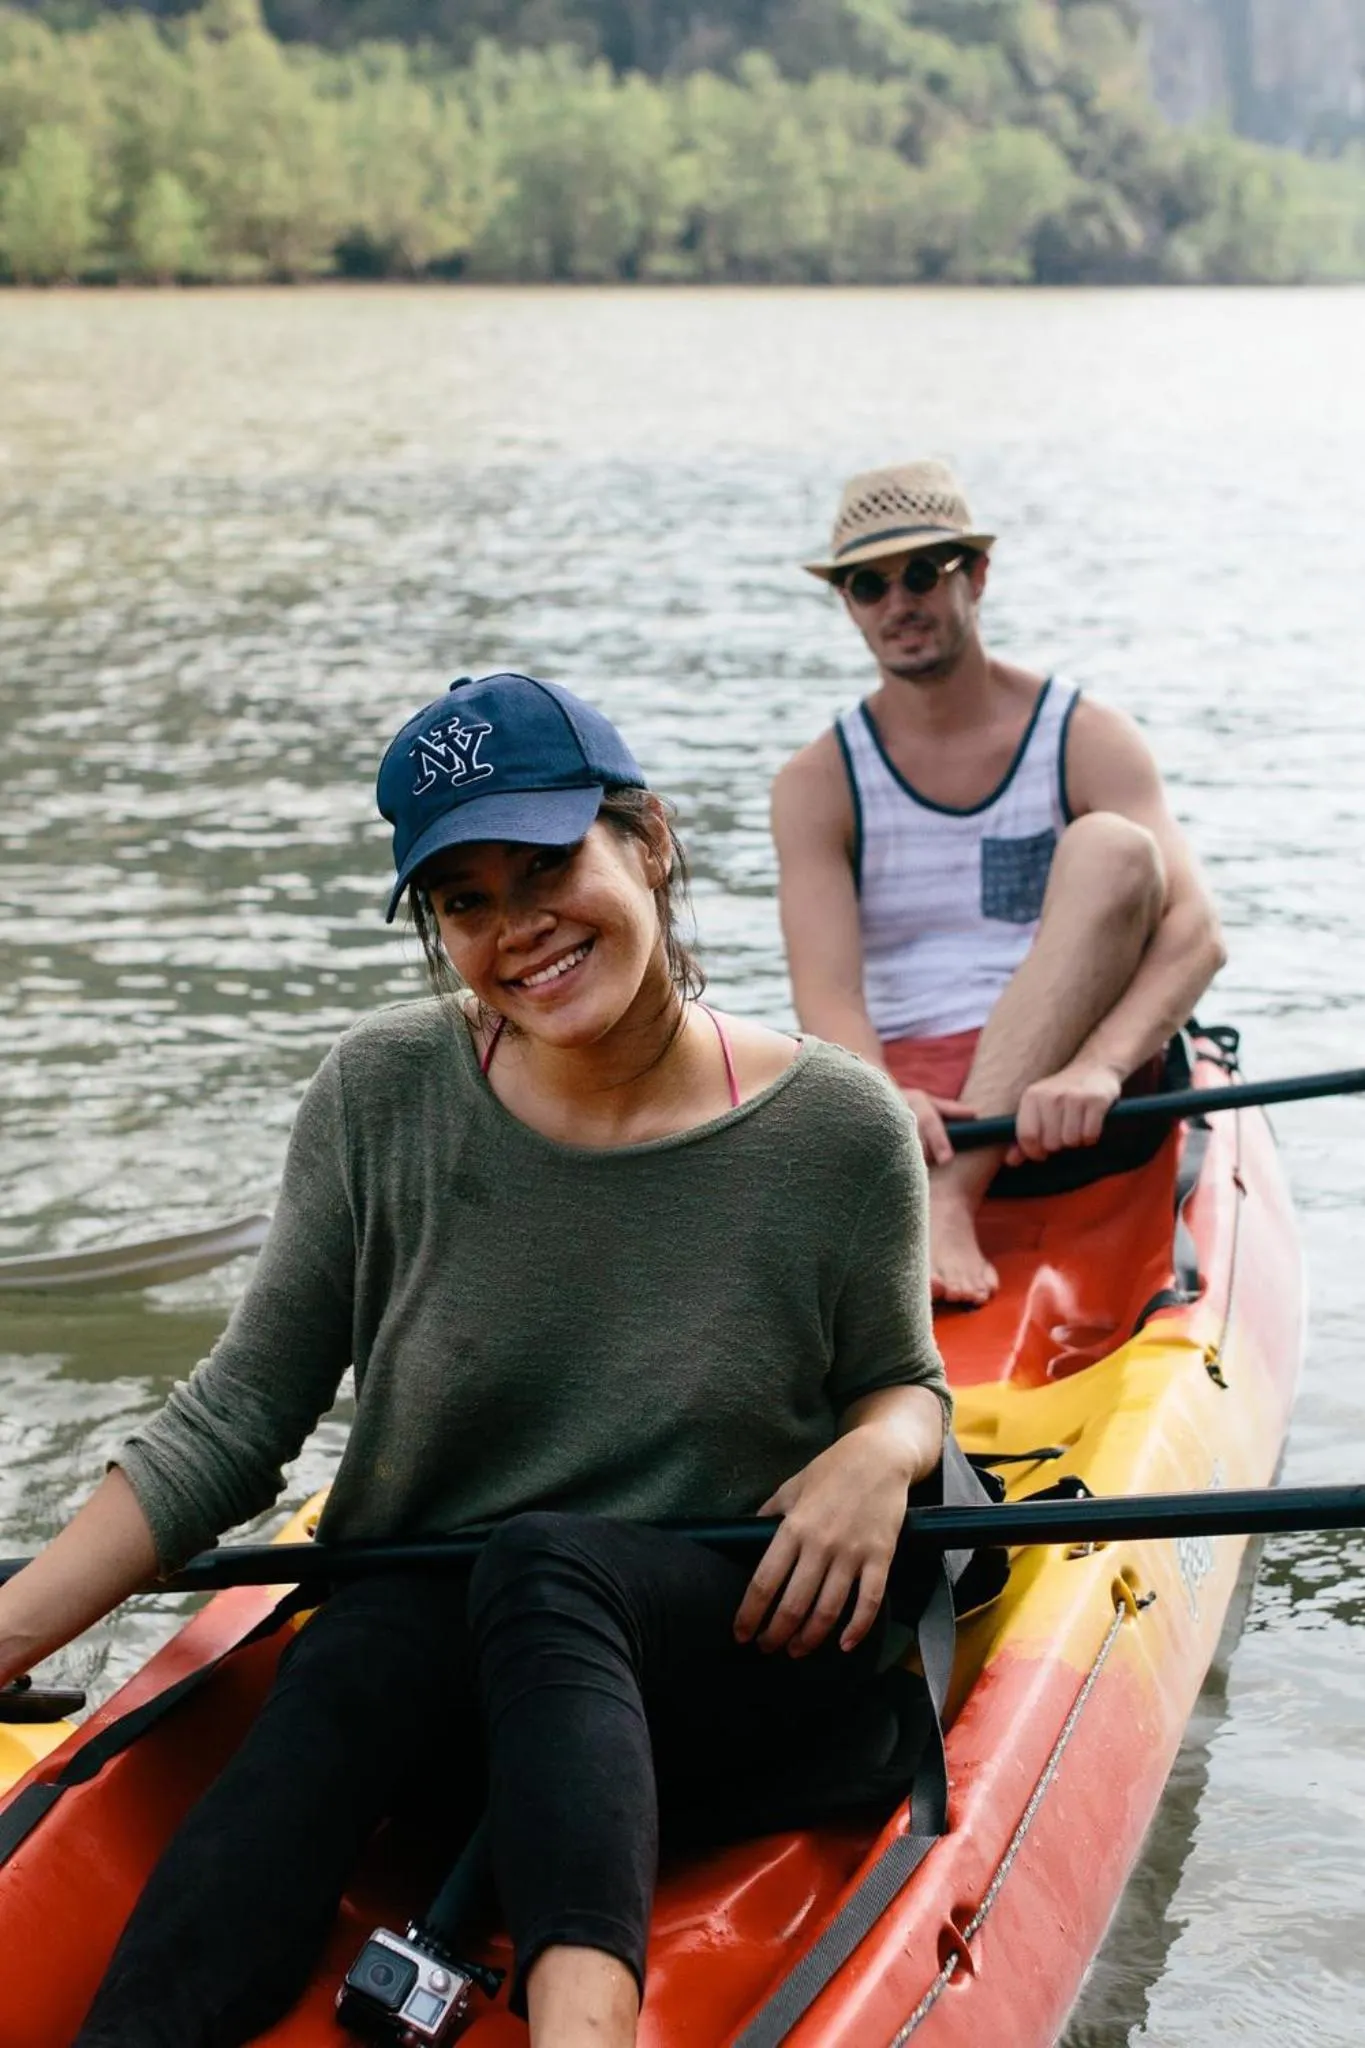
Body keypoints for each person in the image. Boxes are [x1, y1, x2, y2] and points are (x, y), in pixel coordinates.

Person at [0, 672, 958, 2048]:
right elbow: (237, 1416)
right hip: (462, 1690)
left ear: (650, 840)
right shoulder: (380, 1093)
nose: (520, 930)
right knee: (365, 1634)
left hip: (733, 1676)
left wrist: (882, 1448)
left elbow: (904, 1379)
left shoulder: (838, 1129)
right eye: (464, 901)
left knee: (544, 1564)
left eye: (548, 864)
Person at [772, 460, 1225, 1308]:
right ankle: (927, 1195)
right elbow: (824, 991)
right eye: (868, 584)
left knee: (1114, 849)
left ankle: (947, 1202)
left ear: (976, 575)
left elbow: (1197, 933)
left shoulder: (1085, 735)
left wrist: (1095, 1067)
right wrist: (879, 1099)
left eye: (920, 573)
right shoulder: (816, 781)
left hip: (1079, 1105)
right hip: (919, 1114)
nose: (896, 602)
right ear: (847, 603)